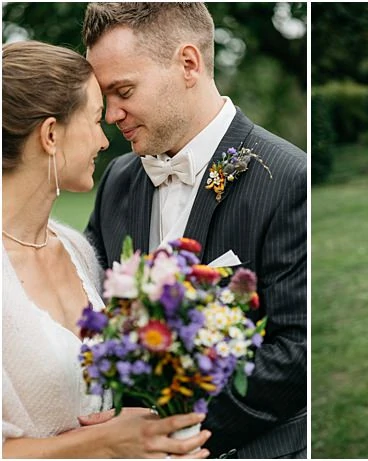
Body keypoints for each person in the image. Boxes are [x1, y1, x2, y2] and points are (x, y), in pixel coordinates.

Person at [81, 3, 307, 458]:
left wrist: (170, 430)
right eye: (104, 96)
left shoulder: (287, 178)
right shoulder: (117, 181)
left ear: (188, 64)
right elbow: (95, 313)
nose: (110, 114)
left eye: (123, 90)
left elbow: (296, 353)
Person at [2, 40, 210, 459]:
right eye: (96, 119)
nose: (104, 138)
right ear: (50, 134)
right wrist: (108, 442)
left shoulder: (78, 250)